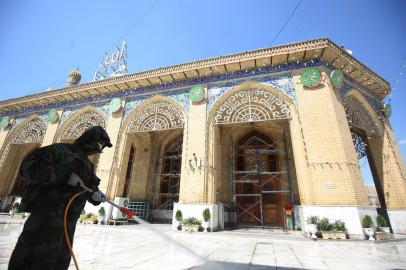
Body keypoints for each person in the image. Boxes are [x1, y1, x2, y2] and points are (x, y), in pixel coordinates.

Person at [8, 126, 112, 270]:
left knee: (58, 263)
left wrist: (96, 195)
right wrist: (64, 175)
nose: (100, 149)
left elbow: (88, 188)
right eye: (100, 144)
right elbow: (28, 166)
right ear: (90, 139)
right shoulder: (60, 150)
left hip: (67, 227)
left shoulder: (87, 165)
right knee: (32, 261)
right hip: (44, 222)